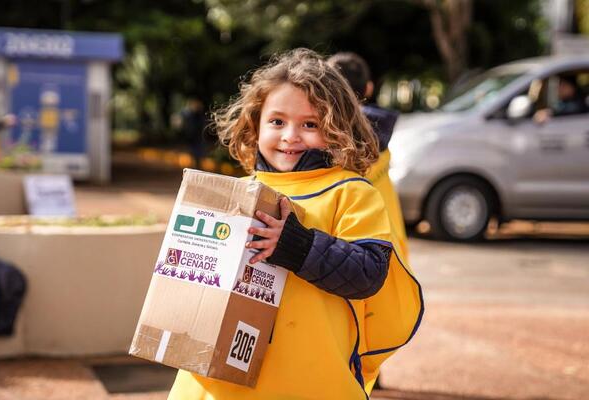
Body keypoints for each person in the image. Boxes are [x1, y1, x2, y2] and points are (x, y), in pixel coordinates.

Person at [168, 49, 423, 400]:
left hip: (312, 381)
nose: (290, 135)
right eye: (277, 122)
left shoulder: (351, 192)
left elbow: (370, 272)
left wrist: (294, 245)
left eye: (309, 124)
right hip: (221, 386)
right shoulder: (235, 193)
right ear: (254, 123)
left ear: (336, 128)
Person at [327, 52, 409, 261]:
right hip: (390, 242)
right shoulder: (382, 132)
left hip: (347, 254)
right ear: (369, 88)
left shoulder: (329, 141)